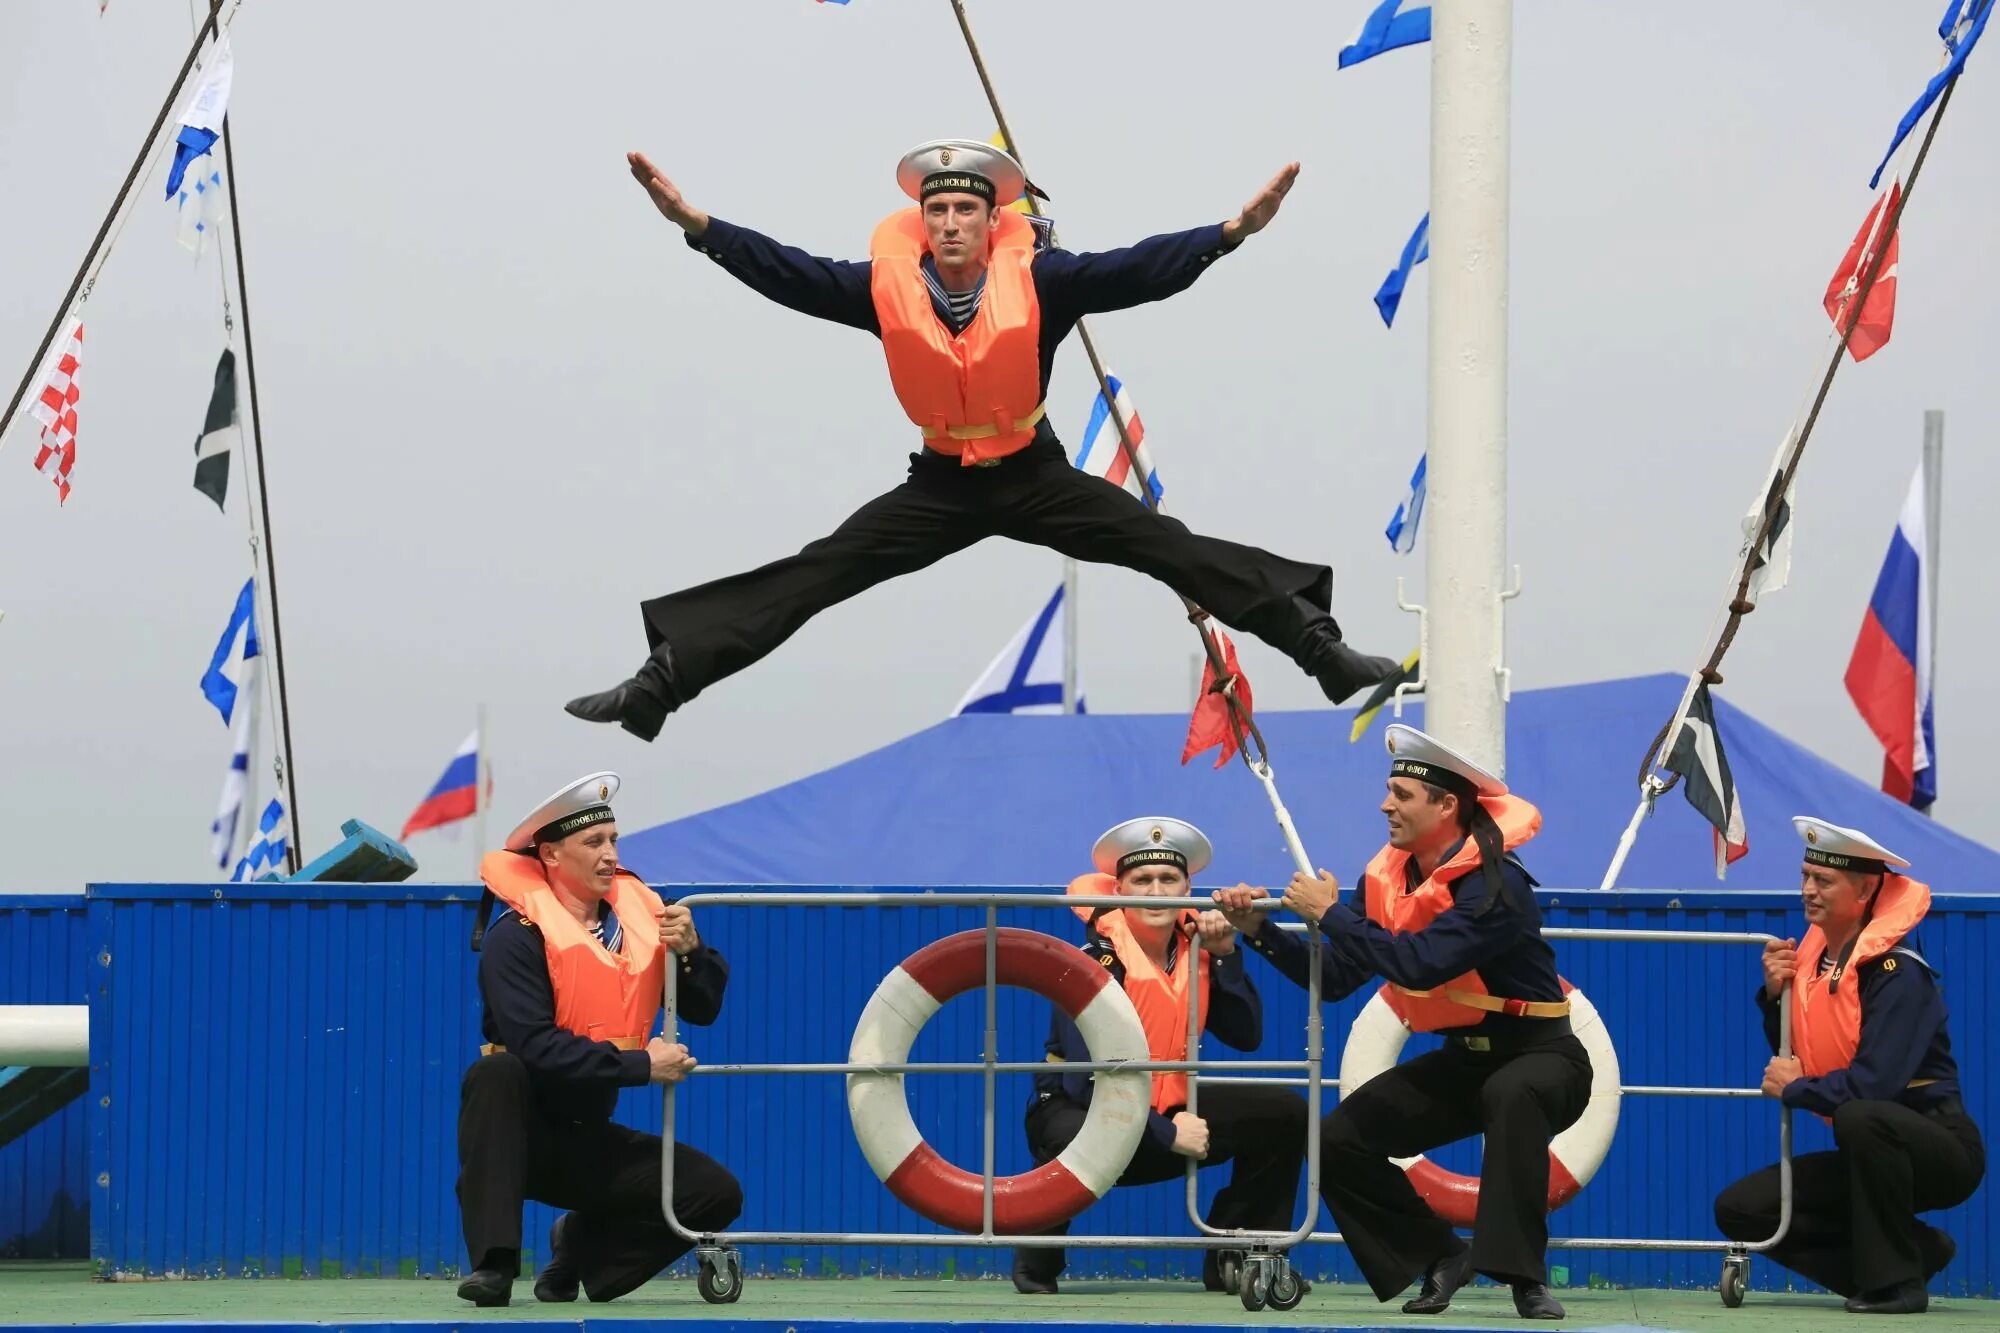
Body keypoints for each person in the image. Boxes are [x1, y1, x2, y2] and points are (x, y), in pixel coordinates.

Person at [565, 138, 1397, 740]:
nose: (952, 221)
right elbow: (789, 273)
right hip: (940, 483)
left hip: (1031, 470)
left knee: (1166, 545)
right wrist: (699, 225)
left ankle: (1319, 646)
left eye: (967, 208)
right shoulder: (882, 289)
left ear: (993, 219)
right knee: (820, 571)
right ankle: (660, 683)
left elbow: (1137, 269)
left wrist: (1227, 235)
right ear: (920, 224)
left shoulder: (1044, 277)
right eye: (937, 210)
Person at [1216, 725, 1586, 1321]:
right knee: (1336, 1140)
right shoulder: (1385, 878)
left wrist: (1332, 912)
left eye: (1401, 794)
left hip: (1543, 1055)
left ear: (1446, 805)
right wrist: (1260, 932)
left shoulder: (1498, 885)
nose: (1386, 805)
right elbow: (1337, 978)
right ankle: (1437, 1257)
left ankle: (1525, 1280)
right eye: (1389, 791)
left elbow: (1420, 965)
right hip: (1465, 1059)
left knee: (1511, 1092)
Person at [455, 773, 742, 1306]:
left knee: (716, 1193)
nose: (610, 854)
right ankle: (493, 1267)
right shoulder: (514, 937)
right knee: (496, 1072)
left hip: (588, 1132)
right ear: (551, 855)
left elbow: (703, 1009)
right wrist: (641, 1066)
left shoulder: (642, 922)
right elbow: (536, 1045)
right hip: (514, 1136)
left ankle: (576, 1251)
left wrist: (691, 952)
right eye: (593, 843)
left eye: (614, 840)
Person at [1014, 817, 1308, 1295]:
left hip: (1167, 1102)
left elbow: (1247, 1035)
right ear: (1119, 888)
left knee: (1286, 1113)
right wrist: (1168, 1133)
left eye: (1168, 879)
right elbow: (1084, 1084)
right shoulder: (1093, 961)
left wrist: (1227, 954)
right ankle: (1037, 1261)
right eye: (1142, 881)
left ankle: (1239, 1252)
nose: (1156, 891)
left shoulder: (1198, 950)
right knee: (1066, 1132)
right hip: (1085, 1111)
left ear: (1188, 886)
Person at [1713, 817, 1984, 1316]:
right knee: (1742, 1210)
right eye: (1805, 876)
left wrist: (1796, 1090)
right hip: (1868, 1146)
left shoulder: (1898, 973)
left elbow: (1871, 1087)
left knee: (1861, 1115)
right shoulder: (1816, 961)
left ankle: (1898, 1287)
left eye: (1823, 881)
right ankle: (1914, 1256)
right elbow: (1802, 1053)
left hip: (1938, 1148)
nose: (1808, 890)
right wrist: (1775, 998)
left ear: (1863, 891)